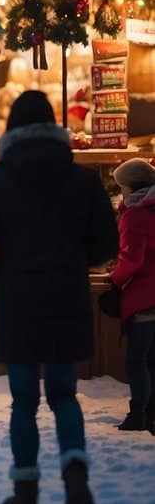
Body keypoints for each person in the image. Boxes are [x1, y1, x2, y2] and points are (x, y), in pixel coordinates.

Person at [0, 90, 118, 504]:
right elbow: (107, 242)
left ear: (11, 129)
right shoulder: (84, 180)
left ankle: (26, 490)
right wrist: (72, 263)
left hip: (16, 299)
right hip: (67, 296)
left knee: (24, 400)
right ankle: (76, 483)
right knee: (65, 395)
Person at [110, 159, 155, 434]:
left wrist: (115, 279)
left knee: (136, 359)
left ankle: (138, 414)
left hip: (144, 296)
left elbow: (132, 259)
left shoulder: (136, 214)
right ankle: (151, 413)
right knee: (152, 359)